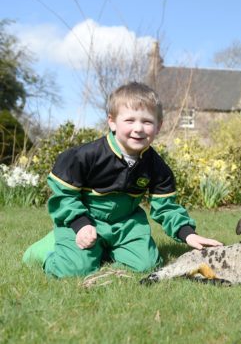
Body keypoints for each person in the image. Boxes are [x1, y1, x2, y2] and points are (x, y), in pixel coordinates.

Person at [22, 82, 222, 278]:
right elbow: (64, 196)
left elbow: (166, 208)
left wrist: (188, 233)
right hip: (87, 220)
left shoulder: (157, 167)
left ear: (158, 126)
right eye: (130, 120)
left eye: (147, 121)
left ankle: (105, 249)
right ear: (112, 122)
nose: (139, 128)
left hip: (126, 224)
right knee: (73, 270)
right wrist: (80, 224)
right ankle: (49, 247)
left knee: (147, 265)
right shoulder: (84, 157)